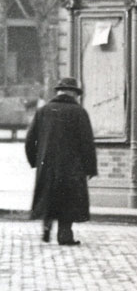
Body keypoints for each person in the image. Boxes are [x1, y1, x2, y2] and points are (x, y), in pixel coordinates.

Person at [25, 77, 97, 246]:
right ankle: (65, 235)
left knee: (49, 196)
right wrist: (90, 168)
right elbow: (87, 143)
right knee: (68, 200)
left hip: (47, 165)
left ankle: (46, 227)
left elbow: (30, 141)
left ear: (59, 92)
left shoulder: (43, 111)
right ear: (73, 93)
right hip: (72, 168)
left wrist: (36, 161)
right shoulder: (79, 112)